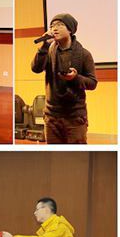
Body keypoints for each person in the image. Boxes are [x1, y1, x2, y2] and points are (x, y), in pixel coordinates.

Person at [31, 13, 97, 144]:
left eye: (60, 25)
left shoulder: (84, 54)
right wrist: (44, 46)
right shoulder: (48, 51)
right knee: (54, 155)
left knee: (75, 155)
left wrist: (75, 78)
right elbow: (36, 68)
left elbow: (92, 83)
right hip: (52, 116)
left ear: (70, 30)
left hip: (75, 117)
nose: (54, 28)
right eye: (52, 26)